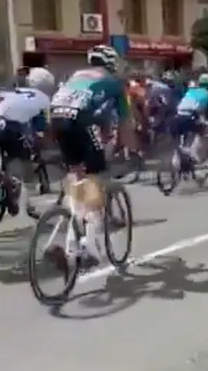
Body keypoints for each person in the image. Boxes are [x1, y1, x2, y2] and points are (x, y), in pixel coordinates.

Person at [48, 44, 130, 268]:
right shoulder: (113, 83)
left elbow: (98, 114)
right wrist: (131, 148)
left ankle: (67, 242)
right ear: (111, 64)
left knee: (77, 178)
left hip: (56, 118)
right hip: (80, 121)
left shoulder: (76, 76)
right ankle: (90, 245)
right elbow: (123, 122)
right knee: (96, 178)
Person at [0, 85, 51, 215]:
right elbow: (41, 127)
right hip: (12, 130)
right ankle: (16, 192)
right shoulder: (37, 99)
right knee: (23, 163)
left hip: (1, 126)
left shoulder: (5, 93)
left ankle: (5, 180)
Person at [173, 74, 208, 163]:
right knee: (205, 130)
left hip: (177, 117)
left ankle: (178, 156)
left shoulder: (190, 92)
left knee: (183, 135)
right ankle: (193, 153)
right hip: (189, 117)